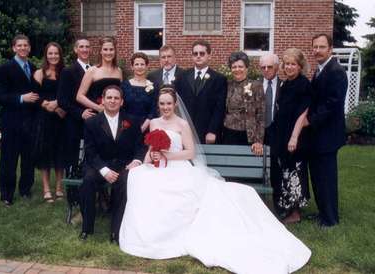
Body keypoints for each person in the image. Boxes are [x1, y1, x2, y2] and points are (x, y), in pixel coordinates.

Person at [119, 86, 311, 274]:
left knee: (181, 192)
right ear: (158, 105)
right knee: (139, 178)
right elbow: (153, 148)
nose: (166, 107)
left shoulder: (182, 124)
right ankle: (150, 236)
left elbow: (190, 153)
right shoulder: (154, 123)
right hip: (159, 167)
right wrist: (144, 162)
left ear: (175, 104)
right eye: (162, 104)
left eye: (169, 103)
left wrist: (168, 156)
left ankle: (178, 235)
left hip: (178, 166)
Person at [79, 85, 145, 241]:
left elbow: (141, 146)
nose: (113, 101)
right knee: (87, 182)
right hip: (99, 165)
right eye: (109, 97)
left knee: (125, 182)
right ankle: (87, 229)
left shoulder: (133, 122)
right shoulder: (92, 123)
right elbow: (90, 151)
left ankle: (116, 231)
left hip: (123, 166)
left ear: (122, 102)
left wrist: (136, 161)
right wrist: (104, 170)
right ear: (102, 101)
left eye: (116, 98)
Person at [306, 34, 348, 227]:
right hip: (318, 135)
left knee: (327, 178)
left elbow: (332, 103)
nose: (317, 50)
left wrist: (310, 121)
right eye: (315, 47)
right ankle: (322, 212)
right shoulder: (320, 69)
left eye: (321, 47)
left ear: (330, 49)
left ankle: (330, 219)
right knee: (317, 176)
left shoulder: (336, 71)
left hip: (328, 135)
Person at [0, 34, 39, 206]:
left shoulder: (34, 68)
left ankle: (26, 189)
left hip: (30, 122)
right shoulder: (4, 68)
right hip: (12, 121)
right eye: (19, 45)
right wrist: (21, 98)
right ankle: (7, 194)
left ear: (29, 48)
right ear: (13, 48)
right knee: (9, 159)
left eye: (26, 45)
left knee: (28, 159)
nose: (23, 48)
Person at [269, 48, 312, 224]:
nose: (289, 67)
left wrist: (294, 137)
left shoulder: (304, 85)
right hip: (282, 133)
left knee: (295, 172)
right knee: (284, 170)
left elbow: (303, 113)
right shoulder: (286, 83)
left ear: (300, 66)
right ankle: (287, 207)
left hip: (295, 135)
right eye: (287, 64)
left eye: (293, 64)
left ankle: (296, 212)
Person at [32, 42, 66, 203]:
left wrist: (58, 105)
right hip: (45, 118)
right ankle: (46, 189)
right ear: (46, 55)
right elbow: (35, 96)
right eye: (50, 53)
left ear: (60, 55)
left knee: (60, 153)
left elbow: (69, 94)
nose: (53, 56)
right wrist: (48, 105)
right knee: (45, 154)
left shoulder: (65, 73)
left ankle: (59, 188)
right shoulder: (39, 73)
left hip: (61, 118)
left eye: (56, 53)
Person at [175, 40, 227, 144]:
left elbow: (219, 108)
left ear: (209, 55)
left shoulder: (219, 79)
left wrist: (212, 131)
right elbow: (177, 105)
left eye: (202, 53)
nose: (198, 56)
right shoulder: (182, 77)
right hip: (185, 130)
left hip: (207, 132)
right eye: (195, 54)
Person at [57, 37, 92, 171]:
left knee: (90, 153)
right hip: (74, 120)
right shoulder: (68, 71)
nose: (84, 49)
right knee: (73, 155)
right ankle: (72, 190)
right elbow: (62, 100)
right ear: (75, 49)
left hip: (92, 119)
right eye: (81, 47)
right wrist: (80, 113)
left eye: (87, 47)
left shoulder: (94, 69)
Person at [223, 51, 264, 155]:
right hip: (228, 133)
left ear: (246, 68)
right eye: (234, 67)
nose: (237, 69)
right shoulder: (227, 85)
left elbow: (261, 114)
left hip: (248, 135)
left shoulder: (256, 86)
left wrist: (258, 140)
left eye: (240, 66)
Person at [259, 53, 284, 216]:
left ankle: (278, 204)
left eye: (270, 67)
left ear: (276, 67)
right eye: (263, 67)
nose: (266, 70)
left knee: (276, 168)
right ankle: (256, 204)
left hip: (278, 132)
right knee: (256, 166)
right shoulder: (254, 86)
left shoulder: (285, 85)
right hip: (259, 132)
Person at [76, 36, 122, 114]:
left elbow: (120, 94)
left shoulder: (119, 70)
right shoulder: (92, 70)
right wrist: (98, 108)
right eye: (105, 49)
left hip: (115, 113)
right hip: (97, 113)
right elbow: (79, 96)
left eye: (111, 49)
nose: (108, 52)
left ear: (115, 51)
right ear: (100, 51)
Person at [121, 52, 158, 133]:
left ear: (147, 66)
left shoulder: (154, 86)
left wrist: (142, 128)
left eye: (142, 64)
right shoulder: (124, 85)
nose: (139, 67)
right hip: (126, 127)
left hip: (147, 127)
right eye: (136, 64)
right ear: (132, 67)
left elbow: (153, 110)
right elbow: (121, 108)